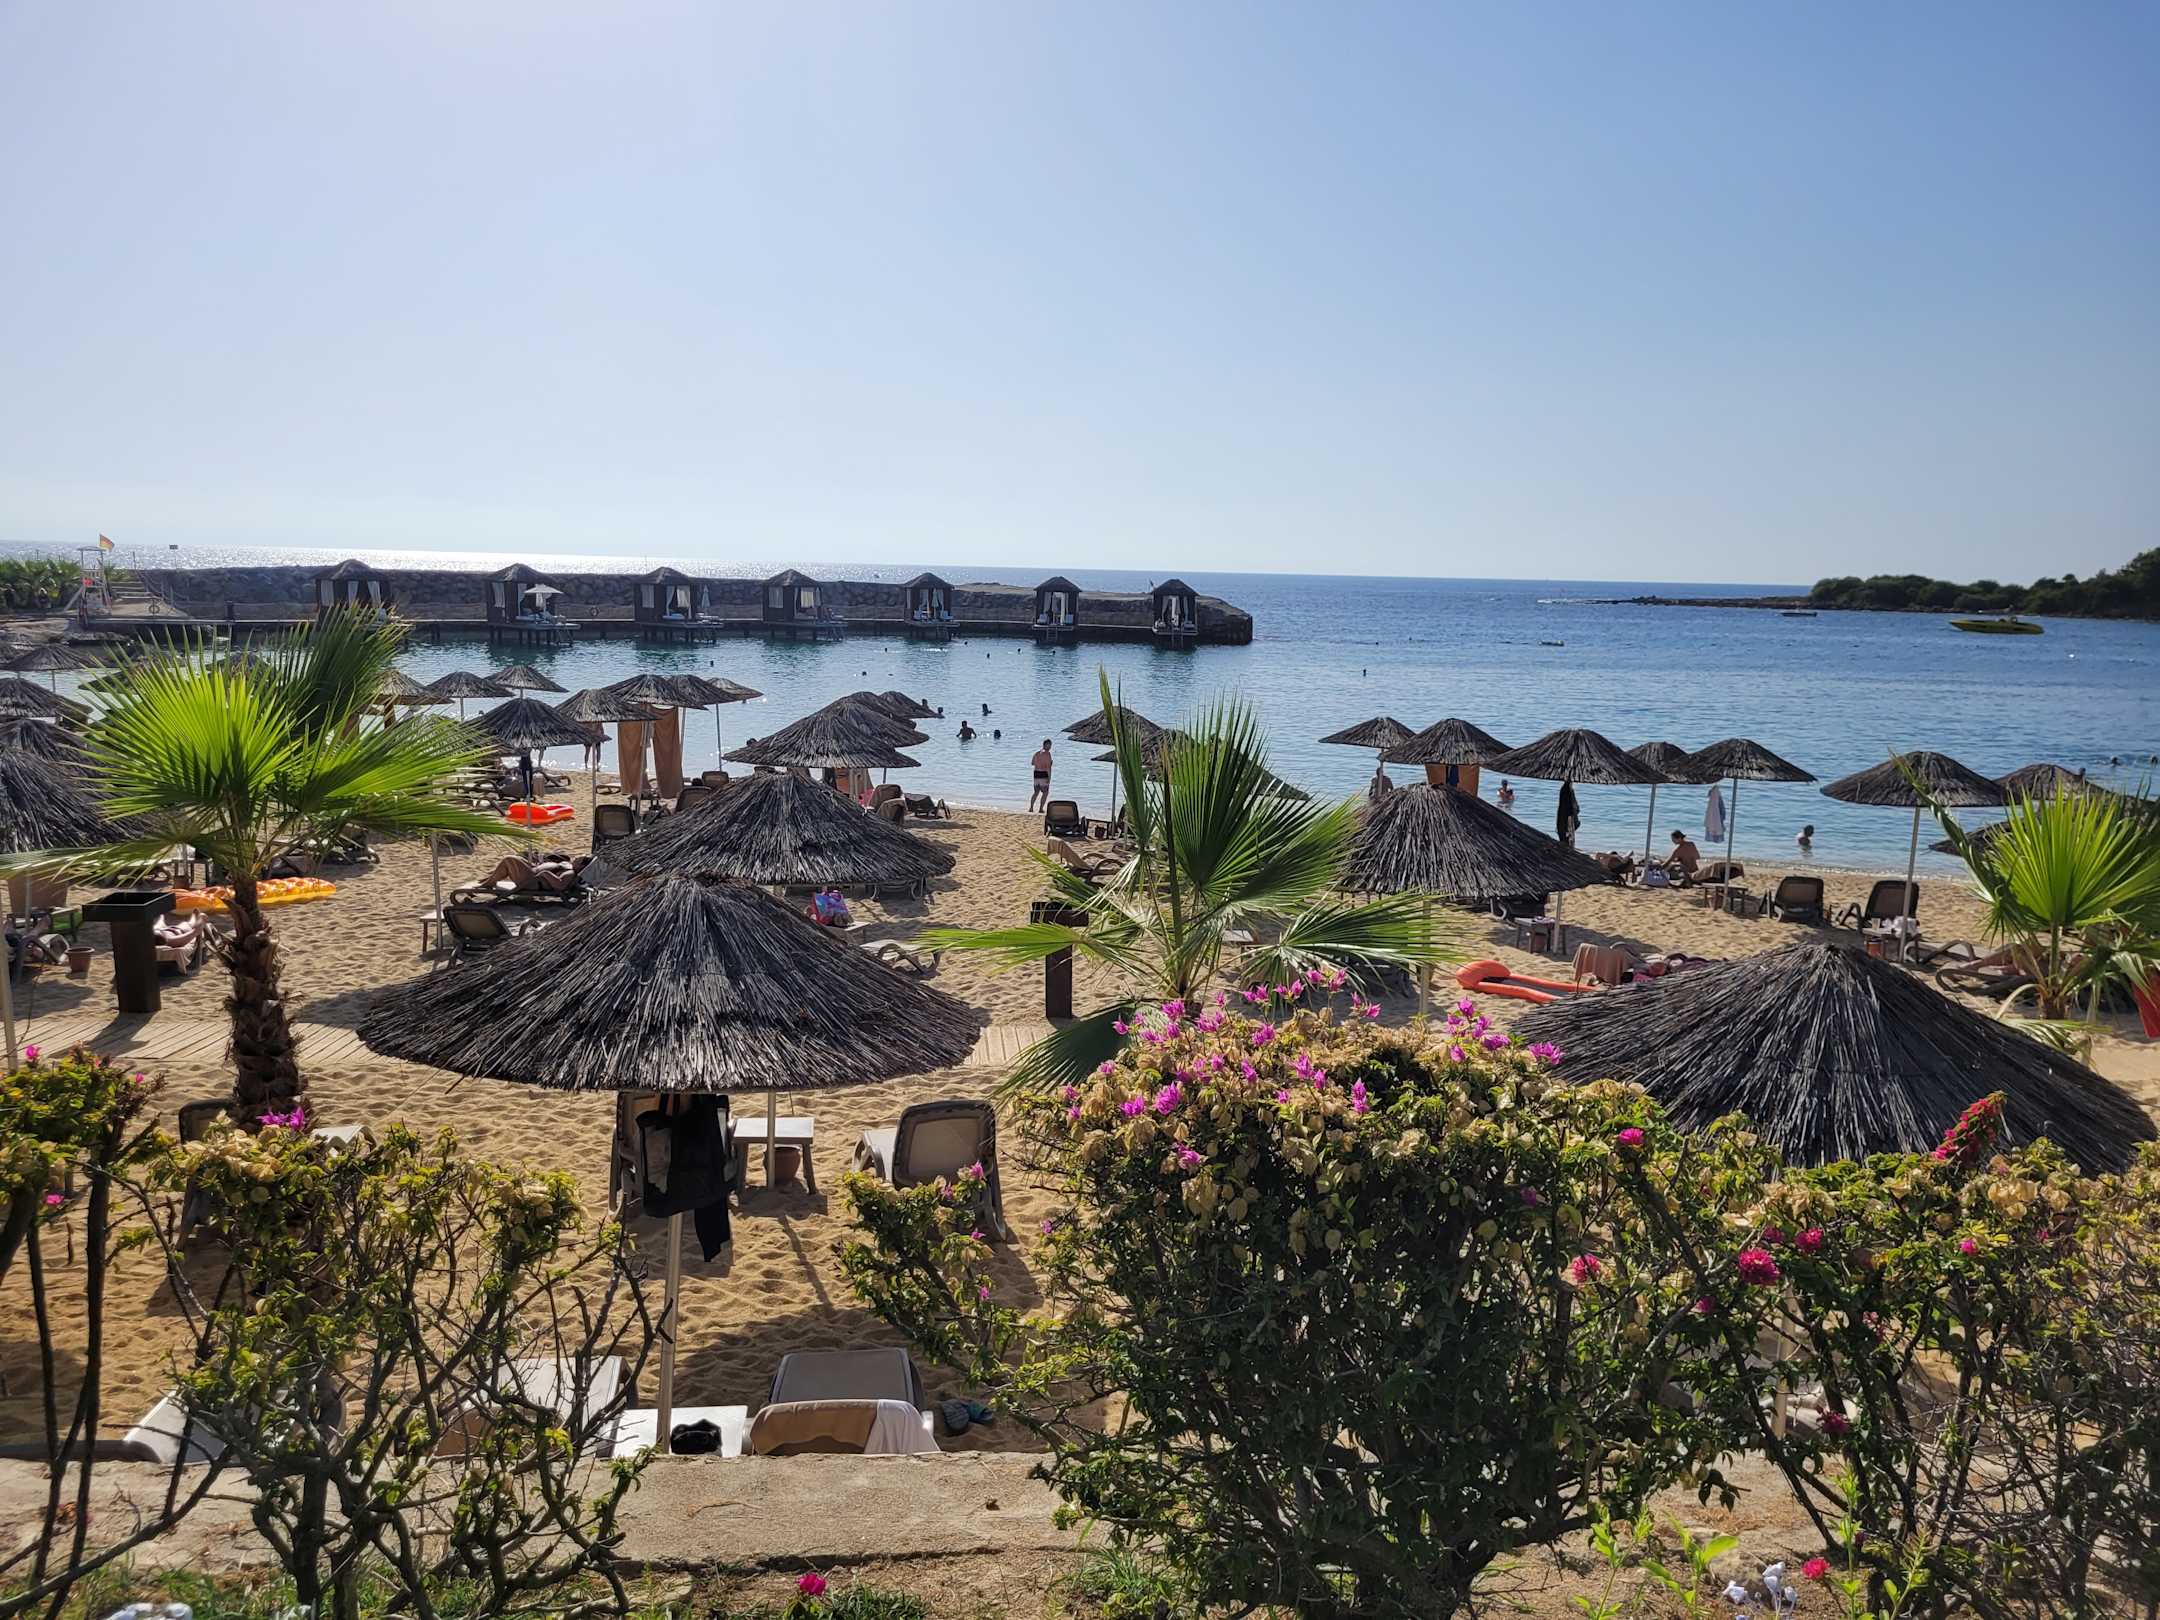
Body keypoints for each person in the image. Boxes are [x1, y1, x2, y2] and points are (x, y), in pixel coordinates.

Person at [1029, 738, 1054, 813]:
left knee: (1036, 792)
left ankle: (1031, 807)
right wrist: (1049, 778)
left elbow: (1032, 763)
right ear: (1045, 745)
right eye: (1049, 745)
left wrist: (1039, 762)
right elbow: (1048, 767)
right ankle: (1040, 809)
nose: (1050, 747)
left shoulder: (1037, 753)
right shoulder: (1048, 754)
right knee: (1045, 792)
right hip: (1043, 774)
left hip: (1036, 773)